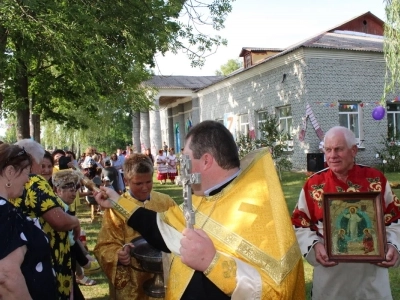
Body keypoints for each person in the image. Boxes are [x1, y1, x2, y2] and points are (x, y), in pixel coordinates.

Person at [95, 120, 305, 299]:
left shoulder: (259, 208)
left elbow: (279, 289)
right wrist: (117, 201)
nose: (182, 168)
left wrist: (212, 262)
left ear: (206, 161)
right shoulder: (203, 199)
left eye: (186, 159)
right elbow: (163, 229)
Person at [291, 126, 400, 300]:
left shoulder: (376, 179)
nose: (332, 155)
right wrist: (314, 246)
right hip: (330, 280)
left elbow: (395, 220)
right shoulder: (313, 184)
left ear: (354, 150)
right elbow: (299, 224)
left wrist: (394, 246)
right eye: (328, 150)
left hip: (371, 279)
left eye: (338, 149)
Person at [94, 154, 176, 299]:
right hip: (133, 284)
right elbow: (104, 245)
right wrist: (118, 254)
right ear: (126, 180)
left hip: (165, 279)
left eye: (149, 181)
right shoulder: (116, 207)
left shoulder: (166, 202)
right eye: (138, 183)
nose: (145, 188)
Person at [10, 139, 81, 300]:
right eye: (41, 163)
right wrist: (75, 221)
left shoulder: (12, 182)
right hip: (48, 259)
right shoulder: (35, 181)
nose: (43, 168)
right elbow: (59, 220)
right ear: (33, 160)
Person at [0, 144, 57, 299]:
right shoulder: (4, 214)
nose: (27, 180)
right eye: (26, 172)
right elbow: (6, 276)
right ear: (10, 172)